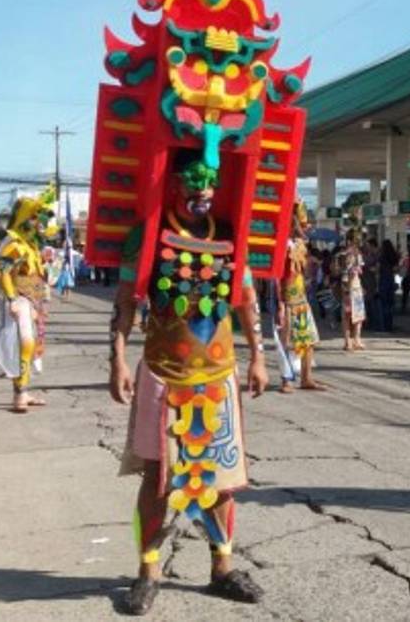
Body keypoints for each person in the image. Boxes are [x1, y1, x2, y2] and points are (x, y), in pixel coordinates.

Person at [109, 149, 268, 612]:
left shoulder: (230, 235)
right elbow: (125, 303)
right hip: (163, 374)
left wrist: (259, 355)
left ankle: (222, 568)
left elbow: (246, 300)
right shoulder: (148, 237)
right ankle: (149, 571)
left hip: (218, 378)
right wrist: (117, 361)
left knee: (221, 480)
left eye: (210, 185)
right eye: (194, 183)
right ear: (175, 184)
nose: (203, 193)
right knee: (159, 478)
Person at [0, 184, 56, 413]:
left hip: (34, 301)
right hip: (20, 300)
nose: (38, 222)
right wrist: (12, 298)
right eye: (33, 217)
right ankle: (20, 395)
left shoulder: (30, 244)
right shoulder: (13, 242)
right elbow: (2, 272)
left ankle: (23, 391)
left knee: (31, 347)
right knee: (25, 345)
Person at [276, 199, 324, 392]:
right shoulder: (281, 244)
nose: (305, 225)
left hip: (301, 297)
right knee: (286, 341)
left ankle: (306, 378)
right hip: (286, 298)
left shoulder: (299, 243)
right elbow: (275, 275)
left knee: (308, 339)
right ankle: (286, 380)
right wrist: (279, 301)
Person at [334, 229, 366, 351]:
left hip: (344, 287)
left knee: (346, 316)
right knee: (357, 316)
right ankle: (357, 340)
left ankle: (347, 342)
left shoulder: (341, 254)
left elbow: (337, 271)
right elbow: (354, 273)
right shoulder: (357, 255)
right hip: (354, 287)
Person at [377, 240, 399, 332]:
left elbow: (378, 270)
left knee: (383, 304)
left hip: (383, 280)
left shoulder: (381, 257)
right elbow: (396, 269)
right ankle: (389, 325)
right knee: (390, 304)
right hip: (391, 279)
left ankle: (384, 326)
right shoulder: (394, 257)